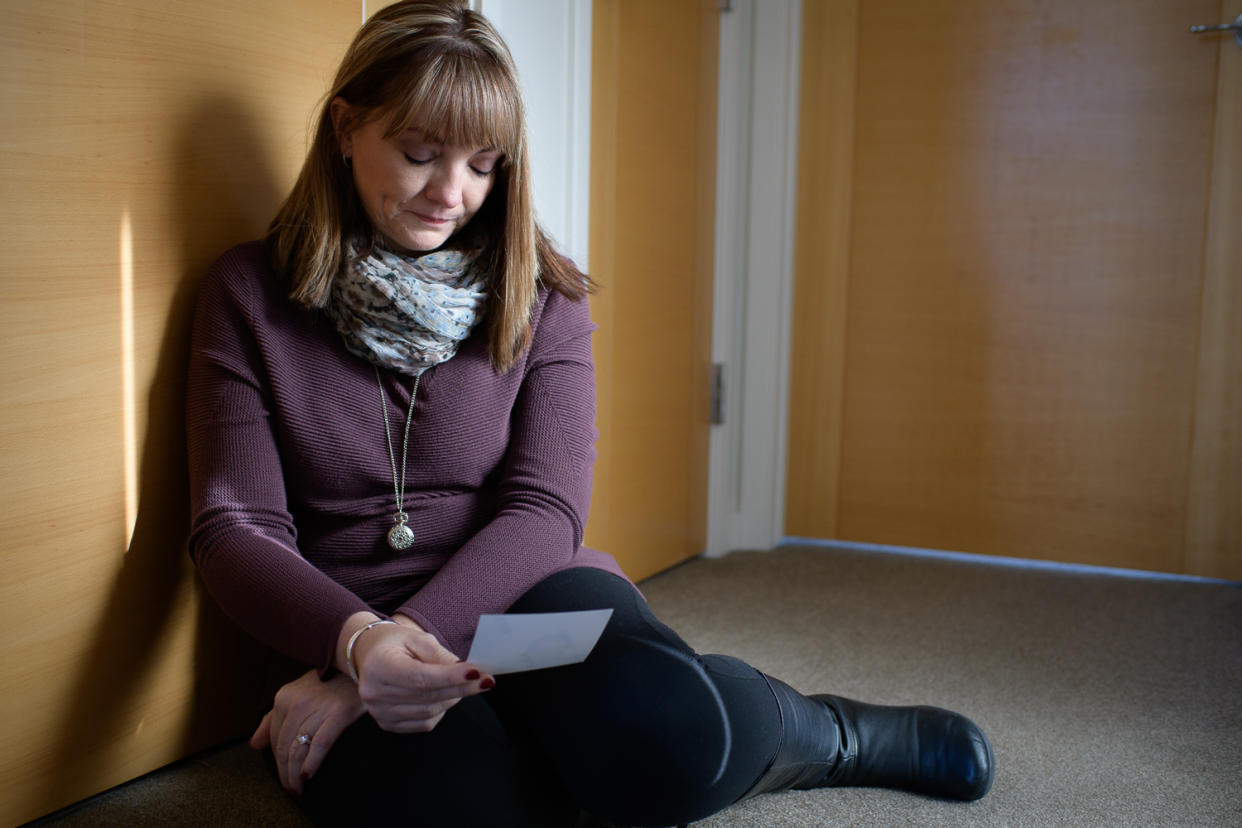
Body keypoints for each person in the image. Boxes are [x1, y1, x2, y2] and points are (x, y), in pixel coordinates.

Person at [186, 2, 994, 825]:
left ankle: (822, 732)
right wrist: (355, 645)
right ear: (346, 127)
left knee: (668, 742)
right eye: (420, 154)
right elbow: (235, 526)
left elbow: (546, 511)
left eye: (483, 164)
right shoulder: (247, 294)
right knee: (464, 805)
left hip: (523, 607)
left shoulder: (544, 295)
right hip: (340, 629)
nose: (452, 193)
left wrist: (398, 647)